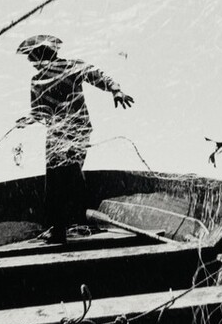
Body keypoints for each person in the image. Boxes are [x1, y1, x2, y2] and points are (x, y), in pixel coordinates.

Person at [15, 34, 134, 243]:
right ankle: (67, 225)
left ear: (41, 54)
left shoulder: (70, 67)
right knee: (56, 178)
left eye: (31, 57)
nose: (30, 62)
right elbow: (39, 111)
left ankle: (72, 224)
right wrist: (28, 120)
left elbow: (97, 76)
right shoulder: (38, 80)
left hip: (75, 131)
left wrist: (116, 90)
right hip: (57, 134)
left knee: (64, 176)